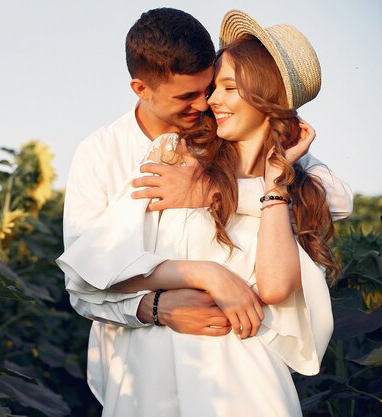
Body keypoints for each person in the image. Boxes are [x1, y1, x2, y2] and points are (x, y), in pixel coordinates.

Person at [58, 8, 353, 416]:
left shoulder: (266, 166)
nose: (206, 104)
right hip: (146, 366)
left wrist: (218, 192)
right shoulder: (138, 155)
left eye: (215, 86)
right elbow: (89, 272)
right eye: (190, 95)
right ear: (141, 88)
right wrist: (163, 302)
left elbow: (335, 201)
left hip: (245, 379)